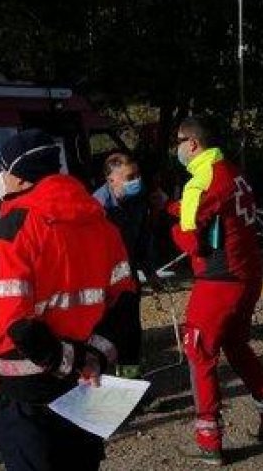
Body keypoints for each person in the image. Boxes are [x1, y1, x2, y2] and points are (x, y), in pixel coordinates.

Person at [0, 129, 137, 471]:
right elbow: (124, 302)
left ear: (20, 178)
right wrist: (92, 358)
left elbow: (17, 325)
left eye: (3, 170)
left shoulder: (14, 228)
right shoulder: (101, 222)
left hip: (28, 394)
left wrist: (70, 361)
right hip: (84, 387)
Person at [169, 117, 263, 465]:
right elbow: (220, 213)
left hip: (219, 281)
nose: (177, 149)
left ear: (193, 144)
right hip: (248, 276)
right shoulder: (232, 171)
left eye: (178, 141)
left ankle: (209, 439)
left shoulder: (200, 183)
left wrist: (171, 225)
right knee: (237, 345)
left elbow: (191, 241)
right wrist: (171, 207)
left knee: (199, 353)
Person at [92, 152, 156, 378]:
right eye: (130, 177)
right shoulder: (96, 208)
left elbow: (143, 239)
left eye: (137, 175)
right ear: (111, 180)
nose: (136, 181)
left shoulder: (138, 201)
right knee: (101, 339)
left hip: (128, 281)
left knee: (131, 336)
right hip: (101, 287)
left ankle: (130, 386)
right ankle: (96, 392)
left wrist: (150, 271)